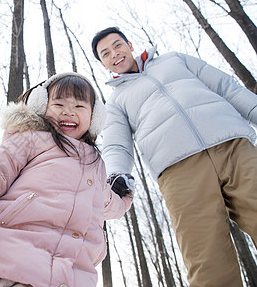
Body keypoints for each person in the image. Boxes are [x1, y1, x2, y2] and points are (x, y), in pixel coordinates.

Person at [0, 72, 134, 287]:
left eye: (79, 106)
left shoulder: (96, 164)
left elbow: (105, 202)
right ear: (42, 107)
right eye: (59, 105)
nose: (69, 112)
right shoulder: (31, 141)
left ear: (94, 117)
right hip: (4, 252)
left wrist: (122, 200)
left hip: (69, 270)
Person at [91, 26, 257, 287]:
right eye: (106, 53)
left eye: (117, 45)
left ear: (130, 45)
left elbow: (228, 88)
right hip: (179, 171)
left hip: (233, 146)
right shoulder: (116, 101)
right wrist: (117, 175)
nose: (115, 53)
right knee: (206, 256)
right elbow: (117, 145)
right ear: (103, 64)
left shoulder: (174, 60)